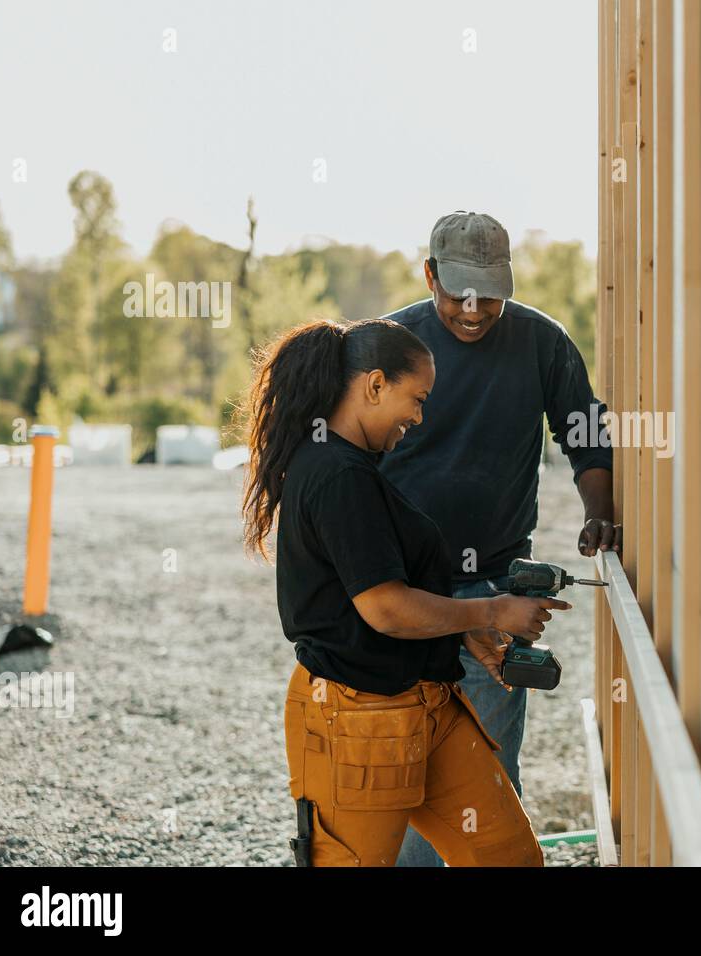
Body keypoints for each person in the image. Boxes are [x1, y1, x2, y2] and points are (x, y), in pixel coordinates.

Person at [241, 316, 571, 866]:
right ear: (374, 385)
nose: (418, 417)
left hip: (430, 707)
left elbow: (394, 590)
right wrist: (491, 609)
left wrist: (466, 634)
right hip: (358, 721)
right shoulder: (335, 474)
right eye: (415, 399)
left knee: (505, 855)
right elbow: (385, 608)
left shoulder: (357, 468)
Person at [380, 211, 619, 868]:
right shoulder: (388, 345)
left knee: (485, 784)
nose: (475, 308)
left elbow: (586, 436)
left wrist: (598, 510)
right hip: (401, 599)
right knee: (402, 774)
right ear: (429, 275)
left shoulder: (543, 343)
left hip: (495, 589)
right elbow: (348, 467)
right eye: (459, 291)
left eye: (491, 292)